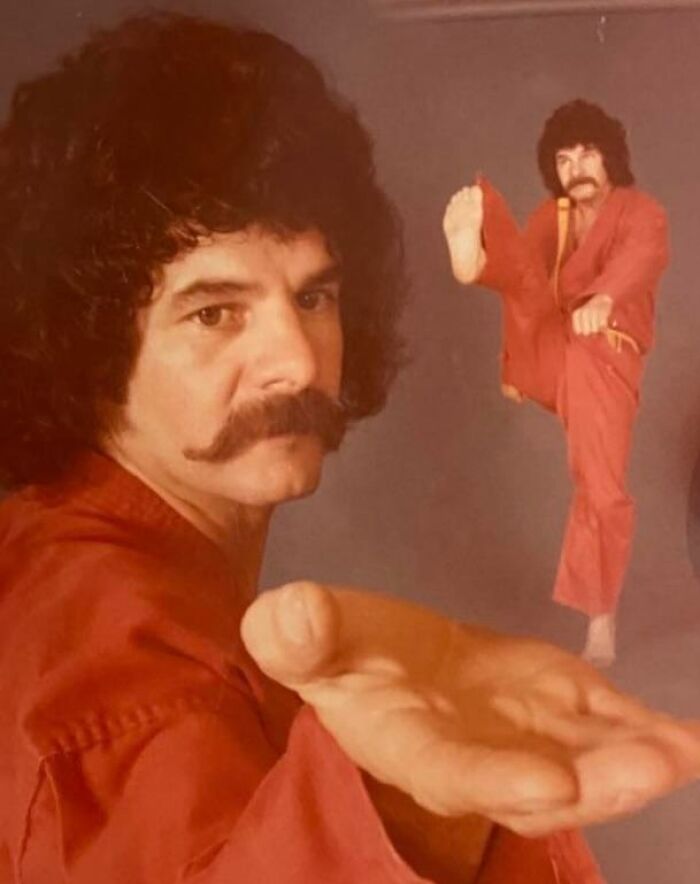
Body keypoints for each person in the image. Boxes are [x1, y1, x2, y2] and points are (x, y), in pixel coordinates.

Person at [0, 17, 697, 883]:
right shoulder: (111, 668)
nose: (296, 360)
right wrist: (410, 801)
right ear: (87, 344)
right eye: (215, 312)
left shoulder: (65, 562)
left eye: (314, 295)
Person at [443, 100, 669, 667]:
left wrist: (605, 298)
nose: (577, 168)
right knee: (518, 264)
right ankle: (473, 259)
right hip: (551, 351)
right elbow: (527, 276)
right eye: (565, 159)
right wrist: (513, 358)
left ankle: (601, 622)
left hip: (604, 356)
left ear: (610, 155)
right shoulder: (556, 214)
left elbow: (644, 256)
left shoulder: (641, 212)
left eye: (588, 153)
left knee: (600, 486)